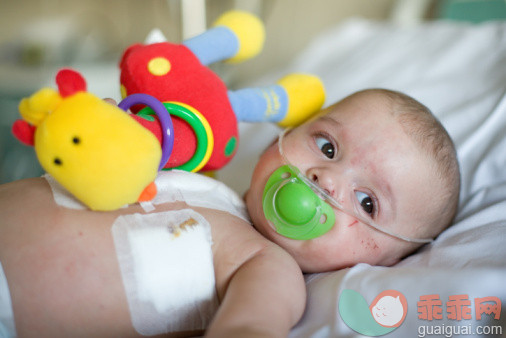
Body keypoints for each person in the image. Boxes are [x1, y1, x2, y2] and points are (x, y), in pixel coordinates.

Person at [0, 89, 460, 337]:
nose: (327, 178)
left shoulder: (267, 266)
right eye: (327, 146)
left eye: (367, 202)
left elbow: (250, 325)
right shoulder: (199, 177)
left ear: (384, 263)